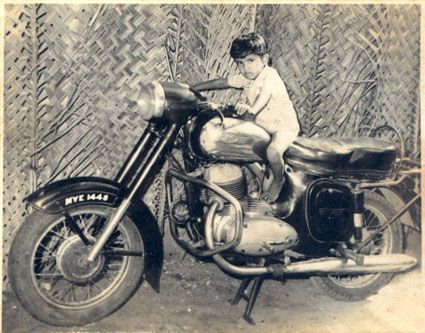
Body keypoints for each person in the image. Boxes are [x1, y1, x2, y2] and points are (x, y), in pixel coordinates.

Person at [191, 33, 300, 202]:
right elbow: (221, 83)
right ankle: (259, 173)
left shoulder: (270, 76)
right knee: (235, 145)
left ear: (264, 60)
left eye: (251, 61)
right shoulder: (245, 79)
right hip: (263, 127)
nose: (245, 68)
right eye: (240, 63)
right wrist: (194, 88)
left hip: (283, 127)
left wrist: (251, 109)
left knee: (273, 151)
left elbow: (265, 95)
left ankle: (279, 180)